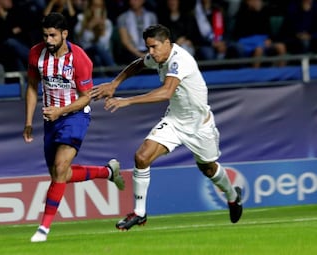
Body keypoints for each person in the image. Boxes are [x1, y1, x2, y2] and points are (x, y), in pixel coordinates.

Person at [91, 24, 243, 231]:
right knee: (142, 157)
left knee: (208, 168)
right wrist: (115, 83)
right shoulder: (157, 56)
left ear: (168, 44)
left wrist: (127, 101)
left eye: (154, 47)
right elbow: (138, 64)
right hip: (175, 120)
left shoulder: (181, 60)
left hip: (199, 125)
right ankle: (139, 213)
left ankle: (233, 196)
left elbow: (166, 92)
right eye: (148, 48)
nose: (150, 53)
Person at [23, 12, 125, 243]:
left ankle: (43, 229)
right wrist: (29, 121)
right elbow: (31, 87)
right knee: (62, 174)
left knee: (60, 167)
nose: (48, 40)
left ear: (64, 34)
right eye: (45, 35)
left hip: (75, 116)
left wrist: (61, 111)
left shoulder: (79, 59)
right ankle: (108, 172)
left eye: (53, 35)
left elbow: (86, 97)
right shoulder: (35, 54)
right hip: (51, 120)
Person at [232, 0, 286, 68]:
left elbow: (269, 32)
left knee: (281, 47)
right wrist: (259, 42)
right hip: (249, 44)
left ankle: (282, 73)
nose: (258, 2)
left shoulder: (264, 13)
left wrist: (269, 39)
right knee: (259, 49)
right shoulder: (241, 15)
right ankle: (255, 74)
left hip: (264, 41)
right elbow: (238, 36)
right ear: (248, 2)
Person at [74, 0, 116, 75]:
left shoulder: (107, 23)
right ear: (90, 7)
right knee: (95, 50)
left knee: (97, 55)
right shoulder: (81, 19)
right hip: (85, 53)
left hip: (102, 54)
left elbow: (103, 44)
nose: (97, 9)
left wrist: (102, 29)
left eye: (99, 6)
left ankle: (112, 75)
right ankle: (116, 73)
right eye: (95, 6)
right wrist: (90, 27)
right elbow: (83, 42)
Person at [115, 0, 158, 64]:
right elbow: (125, 41)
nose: (132, 2)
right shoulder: (122, 18)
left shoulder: (151, 16)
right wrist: (140, 55)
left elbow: (155, 37)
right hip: (132, 52)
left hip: (149, 50)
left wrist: (149, 53)